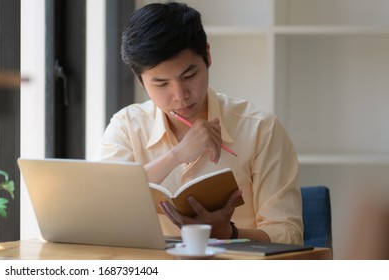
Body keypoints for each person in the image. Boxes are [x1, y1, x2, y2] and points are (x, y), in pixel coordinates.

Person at [94, 2, 303, 244]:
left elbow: (288, 236)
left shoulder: (260, 129)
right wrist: (177, 155)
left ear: (208, 55)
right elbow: (103, 208)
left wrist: (228, 233)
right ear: (140, 81)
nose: (180, 95)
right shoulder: (126, 127)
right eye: (161, 84)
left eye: (189, 75)